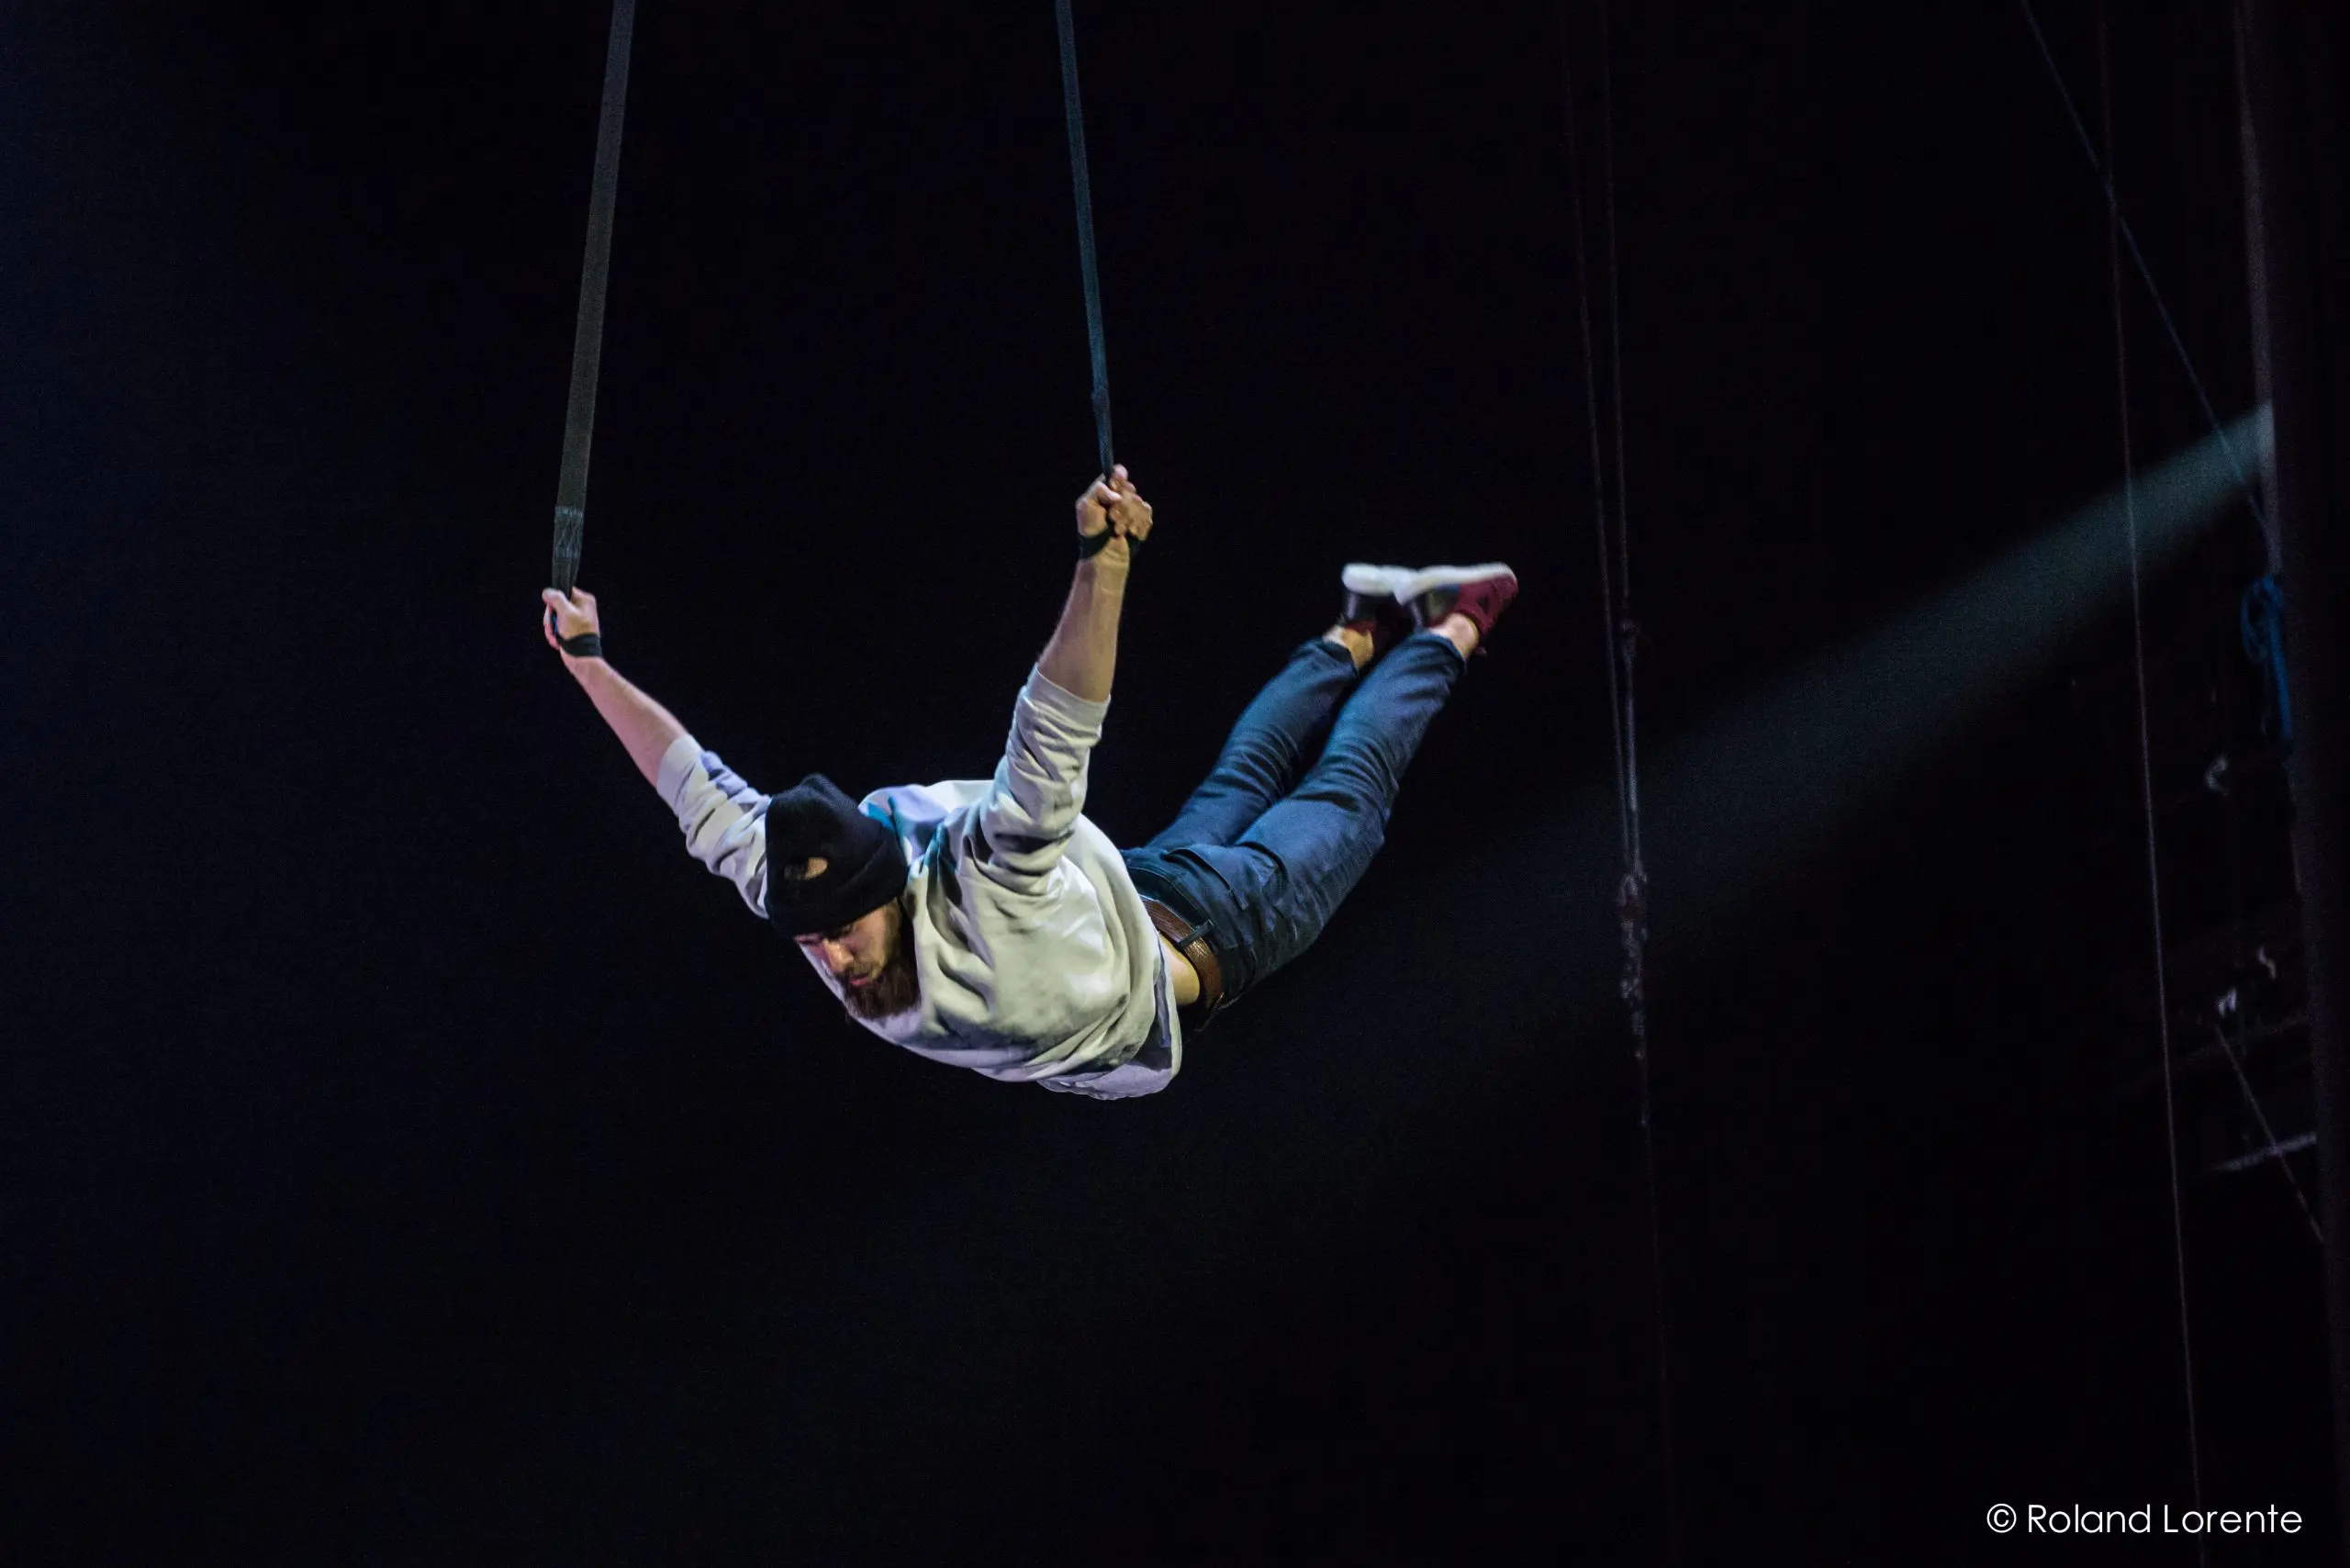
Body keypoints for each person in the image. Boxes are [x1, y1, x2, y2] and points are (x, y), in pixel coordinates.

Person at [541, 468, 1516, 1099]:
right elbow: (693, 790)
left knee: (1350, 789)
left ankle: (1459, 615)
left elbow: (1053, 724)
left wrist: (1106, 564)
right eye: (815, 939)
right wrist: (590, 665)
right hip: (1130, 894)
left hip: (1221, 932)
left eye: (841, 934)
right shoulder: (803, 880)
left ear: (892, 889)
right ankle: (1358, 619)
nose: (833, 961)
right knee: (1248, 767)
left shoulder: (983, 882)